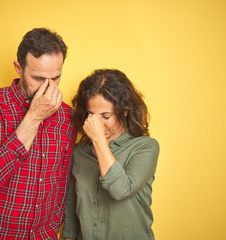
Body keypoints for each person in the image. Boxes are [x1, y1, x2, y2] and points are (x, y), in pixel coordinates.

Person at [0, 28, 76, 239]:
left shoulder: (67, 117)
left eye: (56, 78)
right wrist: (34, 116)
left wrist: (53, 227)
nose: (48, 87)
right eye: (38, 78)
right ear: (19, 68)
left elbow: (61, 181)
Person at [62, 69, 159, 240]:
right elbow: (71, 204)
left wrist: (99, 140)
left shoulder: (145, 147)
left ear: (125, 111)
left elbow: (120, 190)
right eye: (91, 115)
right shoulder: (79, 152)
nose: (96, 123)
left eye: (105, 116)